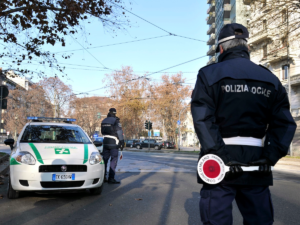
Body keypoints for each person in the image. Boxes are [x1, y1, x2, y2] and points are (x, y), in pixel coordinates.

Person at [191, 23, 296, 225]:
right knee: (259, 220)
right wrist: (270, 156)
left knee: (216, 220)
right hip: (257, 162)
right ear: (246, 47)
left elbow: (203, 118)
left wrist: (220, 155)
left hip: (219, 165)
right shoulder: (271, 79)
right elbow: (284, 124)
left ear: (221, 48)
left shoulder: (208, 75)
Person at [101, 108, 125, 184]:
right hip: (114, 143)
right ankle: (111, 178)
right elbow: (119, 132)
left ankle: (103, 177)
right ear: (115, 113)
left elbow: (102, 131)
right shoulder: (116, 121)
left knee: (104, 160)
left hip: (105, 142)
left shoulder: (104, 120)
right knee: (113, 159)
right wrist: (122, 142)